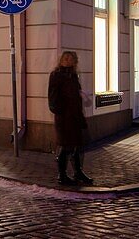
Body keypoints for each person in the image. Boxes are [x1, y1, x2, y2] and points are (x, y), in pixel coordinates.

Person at [48, 51, 92, 186]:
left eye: (71, 59)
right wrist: (59, 110)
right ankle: (62, 175)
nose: (68, 60)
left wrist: (82, 96)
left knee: (77, 145)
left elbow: (75, 92)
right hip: (64, 117)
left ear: (75, 62)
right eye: (65, 58)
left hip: (75, 116)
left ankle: (78, 172)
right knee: (65, 145)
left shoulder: (73, 76)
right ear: (61, 60)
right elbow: (53, 96)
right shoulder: (56, 75)